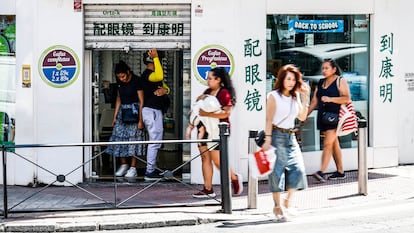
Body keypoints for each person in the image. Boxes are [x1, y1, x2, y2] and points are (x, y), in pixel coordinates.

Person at [261, 64, 310, 221]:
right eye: (288, 79)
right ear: (281, 79)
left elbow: (302, 117)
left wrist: (306, 98)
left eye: (293, 79)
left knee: (298, 170)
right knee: (277, 172)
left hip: (291, 137)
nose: (290, 82)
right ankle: (277, 206)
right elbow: (268, 119)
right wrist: (268, 139)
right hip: (277, 135)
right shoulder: (273, 96)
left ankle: (287, 202)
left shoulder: (295, 96)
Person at [185, 67, 243, 198]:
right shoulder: (207, 92)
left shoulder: (224, 93)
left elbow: (226, 113)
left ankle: (233, 178)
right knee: (205, 158)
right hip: (203, 130)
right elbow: (197, 110)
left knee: (217, 161)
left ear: (219, 80)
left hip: (218, 131)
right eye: (208, 78)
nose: (208, 81)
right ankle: (207, 188)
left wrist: (207, 114)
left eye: (210, 78)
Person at [308, 58, 351, 182]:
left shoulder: (340, 81)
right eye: (323, 68)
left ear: (334, 69)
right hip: (324, 117)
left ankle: (321, 172)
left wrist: (330, 99)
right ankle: (340, 171)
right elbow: (314, 102)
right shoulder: (321, 83)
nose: (324, 70)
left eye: (327, 68)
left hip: (336, 117)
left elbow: (347, 98)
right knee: (333, 143)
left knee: (327, 143)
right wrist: (305, 116)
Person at [106, 60, 144, 178]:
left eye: (123, 76)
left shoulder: (137, 81)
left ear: (128, 72)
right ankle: (124, 164)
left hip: (134, 111)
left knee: (134, 139)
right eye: (119, 77)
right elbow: (118, 98)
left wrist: (140, 120)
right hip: (122, 112)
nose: (121, 79)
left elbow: (141, 101)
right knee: (118, 137)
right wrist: (115, 116)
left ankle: (133, 167)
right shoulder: (119, 83)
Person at [141, 48, 170, 181]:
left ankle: (152, 168)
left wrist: (166, 90)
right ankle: (149, 171)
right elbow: (159, 76)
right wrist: (156, 57)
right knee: (154, 140)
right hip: (151, 111)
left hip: (155, 111)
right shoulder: (147, 74)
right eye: (158, 61)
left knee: (156, 140)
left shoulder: (152, 75)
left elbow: (164, 86)